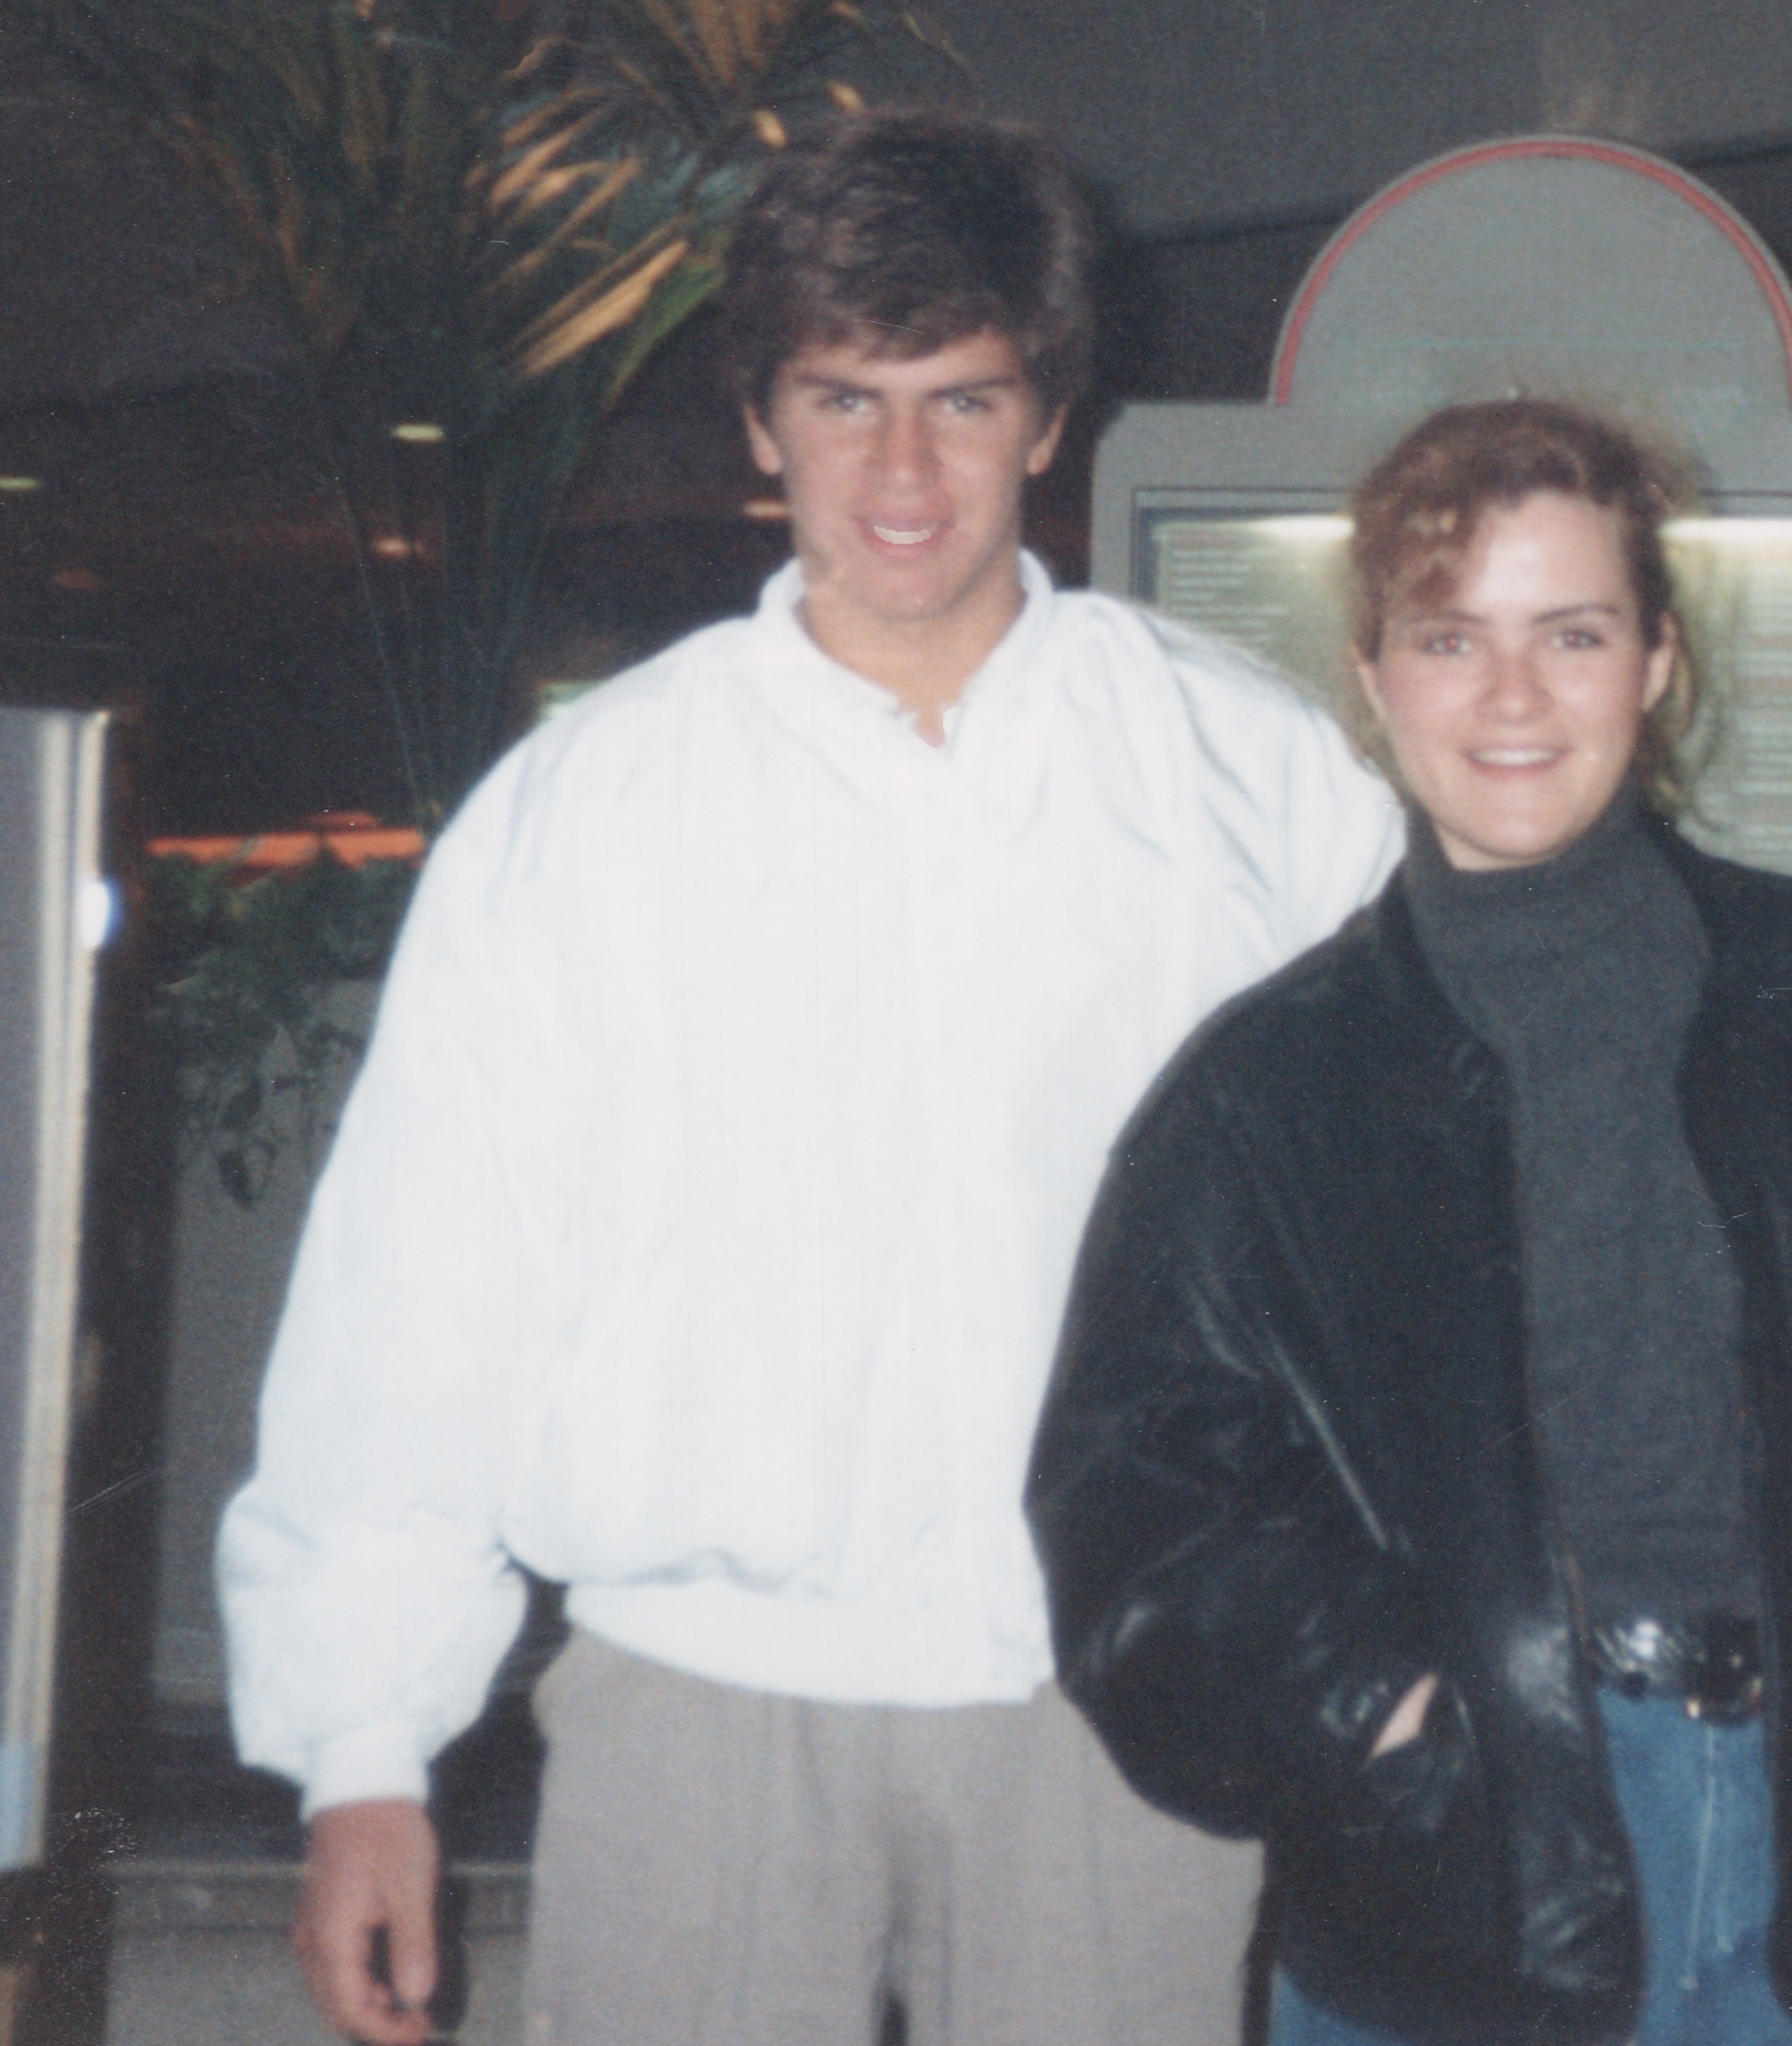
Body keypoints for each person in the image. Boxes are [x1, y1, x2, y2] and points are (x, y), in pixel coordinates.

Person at [219, 111, 1399, 2046]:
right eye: (842, 400)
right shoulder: (591, 811)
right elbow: (421, 1288)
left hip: (1118, 1688)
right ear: (761, 424)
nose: (904, 471)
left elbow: (1391, 1250)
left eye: (961, 398)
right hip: (697, 1710)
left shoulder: (1251, 782)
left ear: (1050, 414)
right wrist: (364, 1750)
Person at [1029, 399, 1792, 2046]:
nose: (1511, 695)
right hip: (1454, 1877)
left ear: (1652, 660)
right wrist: (1389, 1709)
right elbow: (1134, 1507)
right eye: (1452, 636)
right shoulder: (1261, 1095)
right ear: (1373, 677)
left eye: (1569, 633)